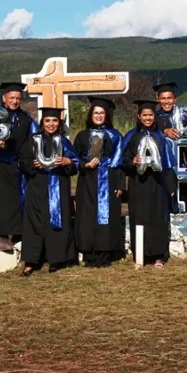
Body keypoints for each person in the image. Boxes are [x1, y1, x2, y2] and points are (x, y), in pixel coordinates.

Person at [18, 108, 79, 276]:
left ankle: (56, 259)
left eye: (54, 121)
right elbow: (22, 162)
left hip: (58, 188)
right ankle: (31, 262)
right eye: (47, 121)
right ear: (42, 123)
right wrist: (32, 164)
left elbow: (76, 163)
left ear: (59, 123)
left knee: (57, 223)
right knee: (34, 224)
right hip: (37, 188)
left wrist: (68, 161)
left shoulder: (64, 142)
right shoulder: (32, 140)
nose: (51, 124)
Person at [0, 82, 39, 251]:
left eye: (17, 98)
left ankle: (18, 235)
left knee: (19, 200)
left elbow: (33, 139)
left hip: (18, 165)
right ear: (4, 98)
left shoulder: (25, 119)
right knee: (1, 201)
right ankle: (1, 235)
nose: (14, 101)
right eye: (11, 98)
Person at [122, 100, 176, 268]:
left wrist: (171, 185)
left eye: (150, 115)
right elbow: (123, 161)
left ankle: (159, 257)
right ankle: (140, 256)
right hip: (138, 184)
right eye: (144, 115)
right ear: (139, 116)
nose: (147, 118)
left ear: (155, 116)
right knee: (139, 217)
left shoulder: (161, 136)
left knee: (157, 218)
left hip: (157, 184)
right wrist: (133, 160)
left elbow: (168, 162)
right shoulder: (131, 136)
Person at [73, 98, 125, 267]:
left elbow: (119, 162)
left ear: (107, 115)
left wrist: (120, 184)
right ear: (91, 115)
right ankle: (89, 254)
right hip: (87, 180)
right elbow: (74, 159)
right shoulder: (82, 135)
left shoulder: (115, 135)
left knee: (107, 216)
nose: (99, 116)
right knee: (87, 216)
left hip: (108, 180)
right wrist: (84, 164)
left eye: (102, 113)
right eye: (96, 113)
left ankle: (104, 255)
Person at [154, 82, 187, 214]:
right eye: (163, 98)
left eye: (169, 98)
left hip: (182, 159)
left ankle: (181, 215)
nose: (166, 101)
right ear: (158, 99)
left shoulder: (184, 115)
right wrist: (164, 131)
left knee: (182, 191)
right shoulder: (155, 117)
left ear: (175, 99)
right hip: (164, 163)